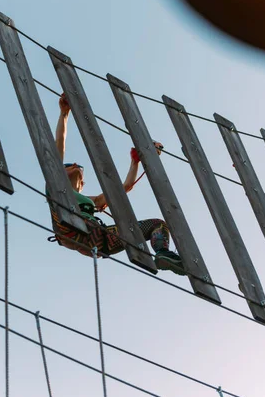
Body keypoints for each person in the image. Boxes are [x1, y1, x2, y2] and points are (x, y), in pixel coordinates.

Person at [48, 93, 185, 275]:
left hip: (99, 239)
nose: (74, 166)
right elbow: (58, 146)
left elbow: (125, 188)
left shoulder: (93, 201)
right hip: (71, 230)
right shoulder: (56, 187)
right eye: (69, 166)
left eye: (79, 170)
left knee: (158, 225)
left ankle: (163, 254)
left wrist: (135, 162)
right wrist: (64, 114)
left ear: (82, 185)